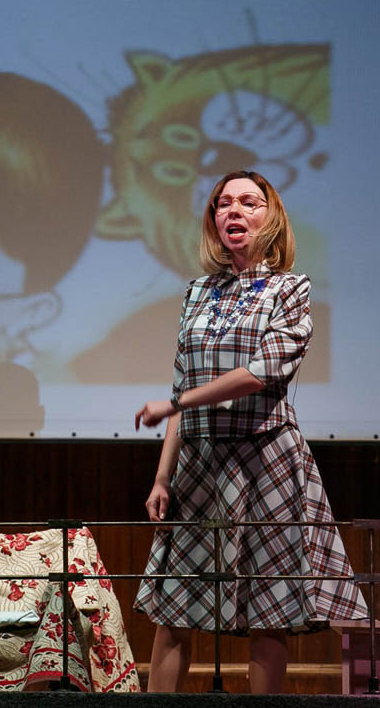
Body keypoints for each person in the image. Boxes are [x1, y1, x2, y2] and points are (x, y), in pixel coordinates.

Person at [132, 171, 367, 693]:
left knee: (268, 609)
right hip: (200, 463)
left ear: (272, 217)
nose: (233, 211)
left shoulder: (290, 288)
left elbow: (262, 372)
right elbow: (183, 383)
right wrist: (163, 476)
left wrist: (178, 402)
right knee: (175, 607)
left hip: (265, 461)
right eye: (223, 203)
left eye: (248, 202)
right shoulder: (198, 292)